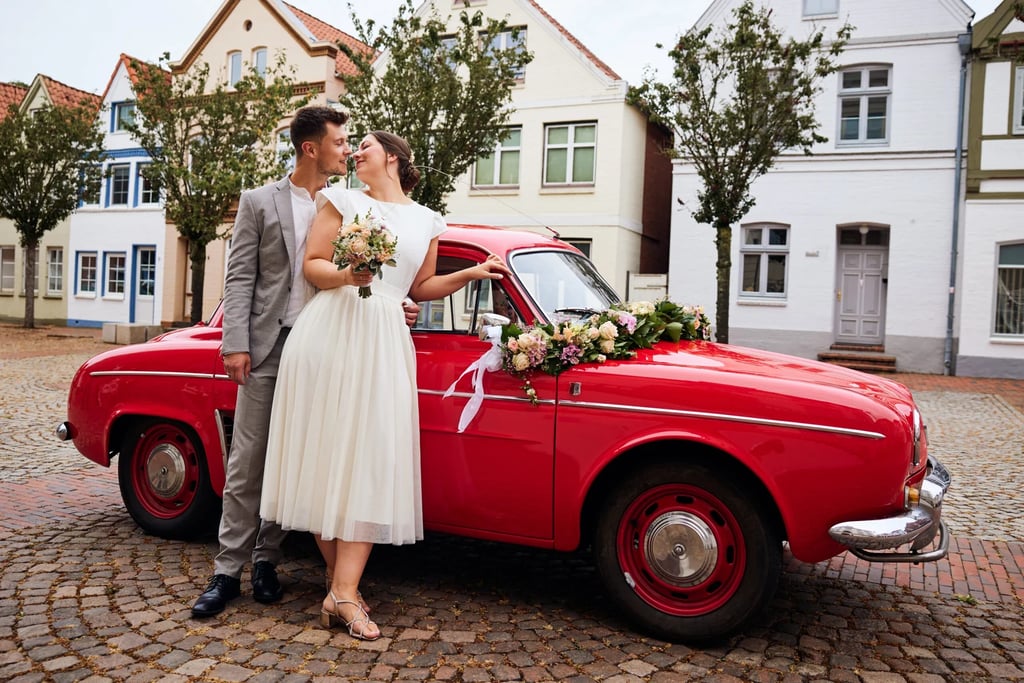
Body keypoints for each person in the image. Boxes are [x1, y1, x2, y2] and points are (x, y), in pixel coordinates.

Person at [259, 131, 509, 640]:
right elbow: (313, 265)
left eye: (364, 146)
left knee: (371, 456)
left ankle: (339, 591)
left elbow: (420, 287)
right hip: (329, 332)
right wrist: (348, 276)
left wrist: (474, 273)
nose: (354, 153)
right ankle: (343, 590)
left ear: (392, 156)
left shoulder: (427, 219)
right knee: (328, 457)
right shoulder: (341, 200)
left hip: (384, 338)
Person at [191, 107, 420, 617]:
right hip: (271, 345)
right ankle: (227, 573)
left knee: (299, 456)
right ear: (311, 148)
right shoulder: (259, 202)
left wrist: (397, 299)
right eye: (341, 142)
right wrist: (235, 343)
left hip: (331, 348)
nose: (349, 149)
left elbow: (391, 272)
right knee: (249, 461)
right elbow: (240, 277)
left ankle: (267, 561)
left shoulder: (359, 204)